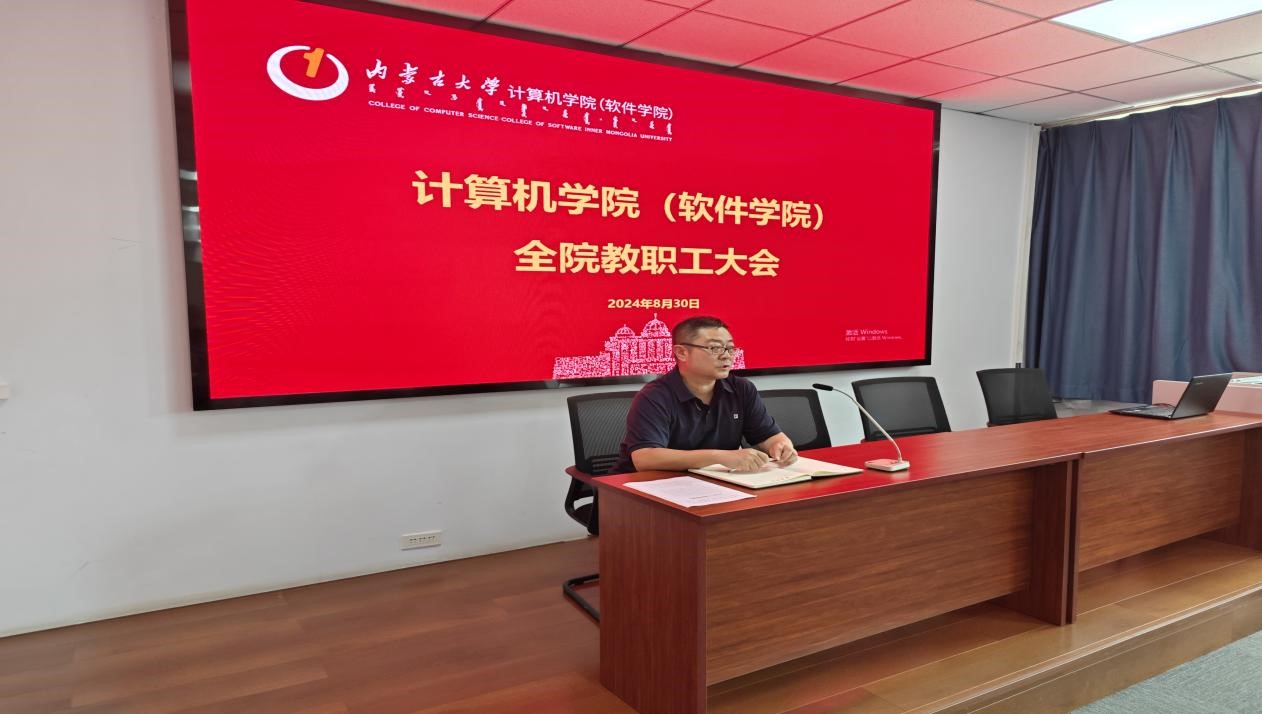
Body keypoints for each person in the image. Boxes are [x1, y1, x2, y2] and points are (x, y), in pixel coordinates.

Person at [611, 316, 798, 474]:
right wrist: (719, 457)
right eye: (715, 348)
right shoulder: (654, 396)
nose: (726, 356)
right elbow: (645, 458)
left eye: (730, 348)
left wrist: (781, 445)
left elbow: (768, 436)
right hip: (642, 490)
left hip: (714, 482)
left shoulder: (741, 389)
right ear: (681, 353)